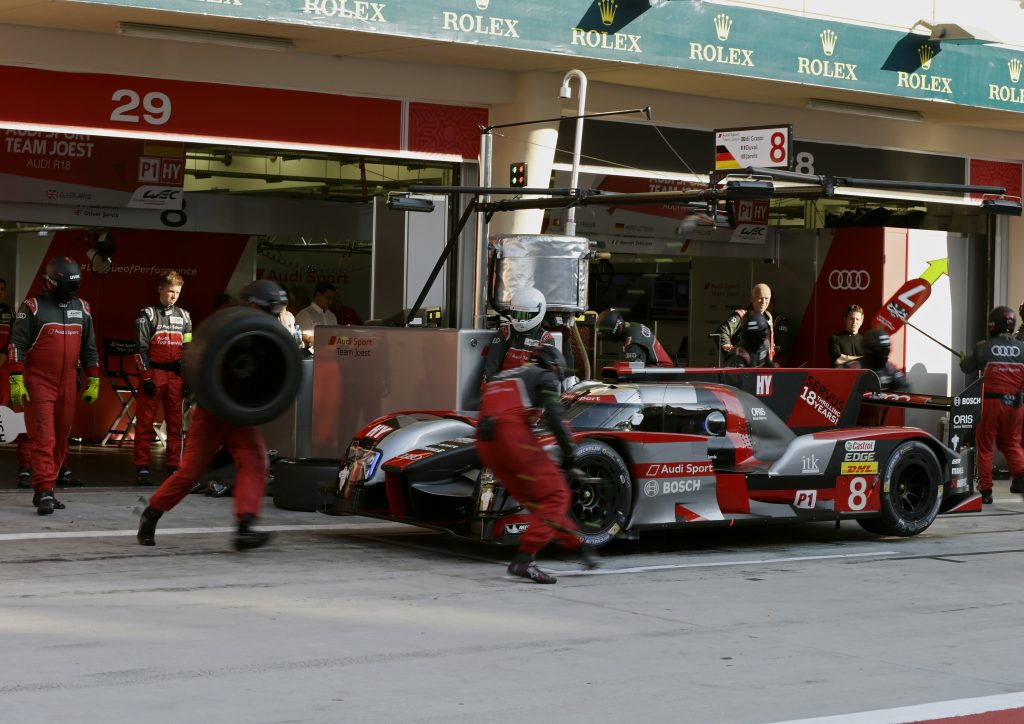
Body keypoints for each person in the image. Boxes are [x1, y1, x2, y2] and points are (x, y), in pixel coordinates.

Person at [137, 280, 287, 550]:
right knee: (191, 473)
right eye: (271, 309)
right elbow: (198, 364)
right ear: (255, 305)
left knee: (256, 463)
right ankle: (152, 513)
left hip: (240, 413)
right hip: (212, 411)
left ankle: (245, 528)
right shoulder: (225, 329)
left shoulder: (268, 336)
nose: (274, 315)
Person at [476, 345, 596, 584]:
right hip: (512, 436)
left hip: (485, 442)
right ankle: (525, 559)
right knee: (557, 496)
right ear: (554, 366)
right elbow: (555, 416)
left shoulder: (506, 374)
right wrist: (570, 454)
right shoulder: (545, 376)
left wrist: (579, 546)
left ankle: (578, 546)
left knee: (541, 503)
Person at [8, 257, 100, 515]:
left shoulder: (83, 308)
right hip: (39, 382)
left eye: (74, 286)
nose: (70, 291)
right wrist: (16, 378)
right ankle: (44, 489)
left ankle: (48, 486)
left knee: (61, 438)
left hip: (68, 382)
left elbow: (89, 348)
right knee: (44, 437)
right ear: (49, 283)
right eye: (65, 285)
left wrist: (94, 378)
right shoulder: (32, 307)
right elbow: (17, 345)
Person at [959, 306, 1024, 505]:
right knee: (1012, 443)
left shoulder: (983, 347)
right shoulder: (1022, 347)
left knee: (985, 447)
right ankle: (1021, 476)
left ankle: (986, 491)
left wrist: (964, 359)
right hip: (1016, 404)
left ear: (992, 325)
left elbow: (966, 367)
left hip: (990, 403)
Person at [133, 271, 193, 486]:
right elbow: (140, 349)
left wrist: (188, 378)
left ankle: (174, 467)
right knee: (145, 423)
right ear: (160, 289)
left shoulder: (185, 316)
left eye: (177, 292)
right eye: (170, 292)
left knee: (176, 425)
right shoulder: (146, 314)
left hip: (176, 376)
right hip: (154, 373)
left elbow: (188, 350)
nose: (174, 296)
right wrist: (146, 377)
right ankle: (142, 467)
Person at [482, 287, 555, 383]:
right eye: (516, 314)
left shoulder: (545, 339)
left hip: (530, 389)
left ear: (539, 312)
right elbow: (491, 365)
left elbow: (545, 374)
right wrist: (487, 386)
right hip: (503, 388)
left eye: (524, 315)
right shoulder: (506, 331)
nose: (520, 320)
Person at [716, 283, 775, 362]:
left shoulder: (768, 317)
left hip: (763, 367)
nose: (763, 302)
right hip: (743, 368)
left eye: (767, 298)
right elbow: (721, 332)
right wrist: (732, 354)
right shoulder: (743, 315)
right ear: (752, 298)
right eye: (760, 298)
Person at [596, 308, 674, 367]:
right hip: (663, 373)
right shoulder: (634, 326)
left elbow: (635, 374)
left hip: (661, 377)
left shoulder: (633, 343)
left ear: (613, 331)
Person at [295, 280, 338, 352]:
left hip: (331, 355)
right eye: (328, 297)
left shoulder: (332, 316)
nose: (330, 302)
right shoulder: (304, 314)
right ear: (318, 295)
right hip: (312, 358)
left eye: (332, 299)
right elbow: (301, 338)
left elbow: (336, 338)